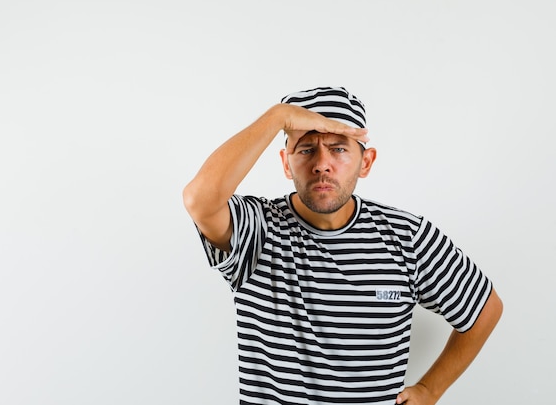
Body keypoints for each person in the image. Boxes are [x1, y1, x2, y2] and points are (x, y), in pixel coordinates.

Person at [182, 86, 503, 405]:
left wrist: (430, 390)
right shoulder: (257, 230)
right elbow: (199, 198)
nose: (322, 163)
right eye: (306, 149)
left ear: (366, 162)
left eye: (338, 149)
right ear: (285, 163)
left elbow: (485, 308)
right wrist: (277, 117)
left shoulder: (408, 236)